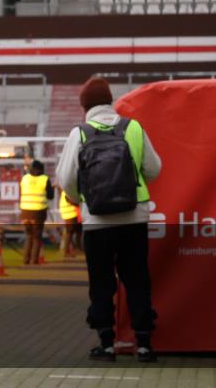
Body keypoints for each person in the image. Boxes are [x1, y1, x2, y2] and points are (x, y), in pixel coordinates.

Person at [56, 76, 162, 363]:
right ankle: (143, 343)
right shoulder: (134, 128)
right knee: (137, 278)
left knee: (101, 282)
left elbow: (65, 179)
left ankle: (106, 343)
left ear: (85, 106)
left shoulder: (79, 133)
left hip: (97, 221)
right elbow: (154, 169)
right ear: (110, 100)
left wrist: (82, 199)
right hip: (133, 217)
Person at [19, 159, 53, 265]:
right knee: (37, 237)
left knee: (29, 236)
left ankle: (26, 260)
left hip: (25, 211)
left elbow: (22, 192)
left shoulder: (24, 178)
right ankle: (34, 261)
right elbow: (50, 196)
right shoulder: (45, 179)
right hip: (38, 212)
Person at [57, 187, 83, 258]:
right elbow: (71, 200)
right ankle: (66, 252)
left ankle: (78, 249)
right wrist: (80, 202)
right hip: (70, 213)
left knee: (78, 230)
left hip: (72, 213)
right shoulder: (69, 190)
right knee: (69, 232)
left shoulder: (67, 189)